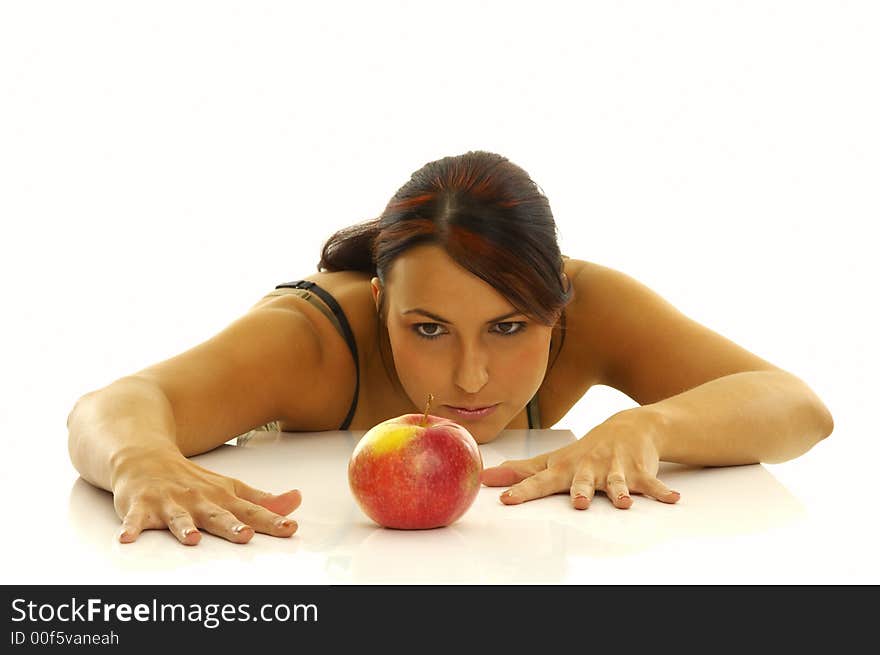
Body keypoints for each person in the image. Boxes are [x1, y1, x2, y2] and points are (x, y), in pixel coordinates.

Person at [66, 150, 835, 547]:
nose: (472, 376)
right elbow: (116, 405)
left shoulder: (588, 305)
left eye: (509, 327)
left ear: (556, 302)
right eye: (427, 328)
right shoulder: (314, 341)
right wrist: (140, 460)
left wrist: (649, 427)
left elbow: (798, 407)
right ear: (380, 302)